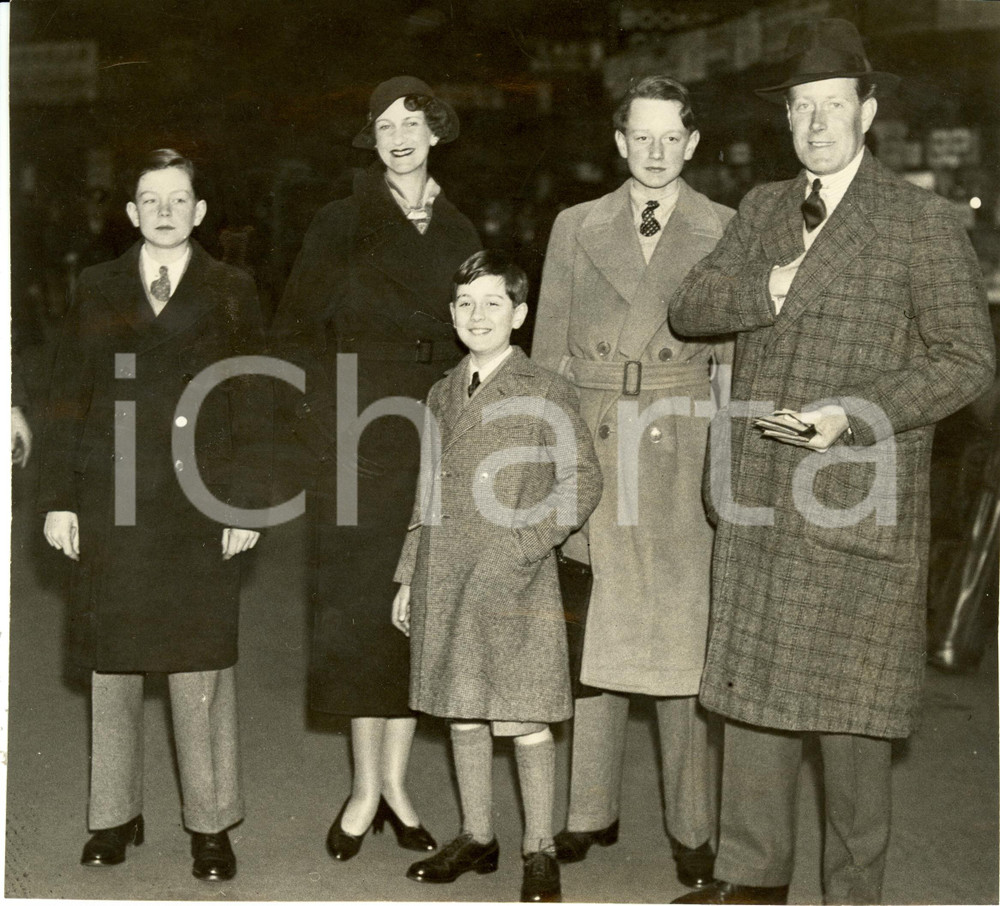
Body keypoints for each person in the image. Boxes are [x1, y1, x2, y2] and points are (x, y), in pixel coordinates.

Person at [668, 20, 995, 905]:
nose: (816, 124)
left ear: (869, 113)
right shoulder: (763, 209)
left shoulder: (920, 220)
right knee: (755, 696)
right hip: (763, 489)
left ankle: (853, 897)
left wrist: (851, 415)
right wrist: (767, 286)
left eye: (833, 106)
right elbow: (693, 305)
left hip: (858, 489)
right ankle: (749, 878)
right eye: (802, 109)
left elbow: (967, 359)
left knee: (853, 718)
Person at [39, 149, 271, 881]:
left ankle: (210, 823)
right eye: (151, 199)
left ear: (200, 213)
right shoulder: (96, 285)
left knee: (198, 661)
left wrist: (247, 501)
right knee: (112, 662)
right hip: (111, 496)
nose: (166, 211)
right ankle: (114, 814)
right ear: (132, 213)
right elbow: (68, 392)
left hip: (198, 500)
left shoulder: (232, 288)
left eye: (180, 199)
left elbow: (252, 400)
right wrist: (56, 499)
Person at [531, 75, 734, 889]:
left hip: (682, 453)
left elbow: (731, 363)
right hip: (595, 444)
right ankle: (588, 811)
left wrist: (727, 466)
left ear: (692, 144)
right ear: (618, 144)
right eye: (638, 138)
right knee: (595, 637)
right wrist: (543, 460)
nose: (654, 153)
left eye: (669, 138)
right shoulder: (576, 226)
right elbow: (546, 350)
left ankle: (691, 824)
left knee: (683, 647)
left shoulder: (724, 229)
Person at [270, 76, 480, 860]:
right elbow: (296, 332)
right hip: (356, 436)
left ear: (436, 131)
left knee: (414, 608)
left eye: (412, 121)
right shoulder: (338, 222)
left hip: (433, 433)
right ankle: (363, 790)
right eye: (383, 123)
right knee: (359, 610)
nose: (398, 134)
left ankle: (398, 784)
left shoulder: (461, 228)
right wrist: (321, 429)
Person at [392, 250, 603, 902]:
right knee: (462, 709)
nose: (478, 316)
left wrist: (529, 544)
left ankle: (539, 849)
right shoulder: (440, 391)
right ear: (452, 315)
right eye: (465, 305)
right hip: (445, 572)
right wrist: (406, 575)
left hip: (515, 577)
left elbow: (582, 481)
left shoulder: (545, 389)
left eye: (493, 304)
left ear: (520, 312)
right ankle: (477, 834)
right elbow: (424, 492)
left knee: (521, 714)